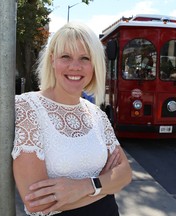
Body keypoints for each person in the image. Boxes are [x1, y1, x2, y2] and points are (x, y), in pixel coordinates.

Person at [11, 22, 132, 216]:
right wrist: (105, 185)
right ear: (52, 60)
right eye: (65, 56)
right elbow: (38, 203)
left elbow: (125, 173)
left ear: (94, 65)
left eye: (85, 58)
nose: (75, 67)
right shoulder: (28, 107)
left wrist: (85, 187)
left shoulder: (97, 115)